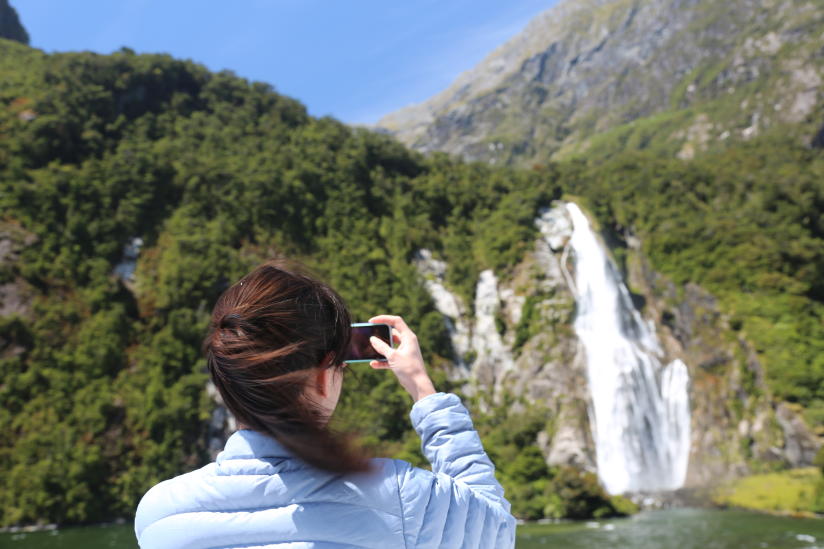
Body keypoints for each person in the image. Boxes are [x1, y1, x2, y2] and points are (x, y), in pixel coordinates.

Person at [134, 260, 515, 548]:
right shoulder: (399, 494)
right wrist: (421, 387)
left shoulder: (159, 514)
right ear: (322, 376)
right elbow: (496, 527)